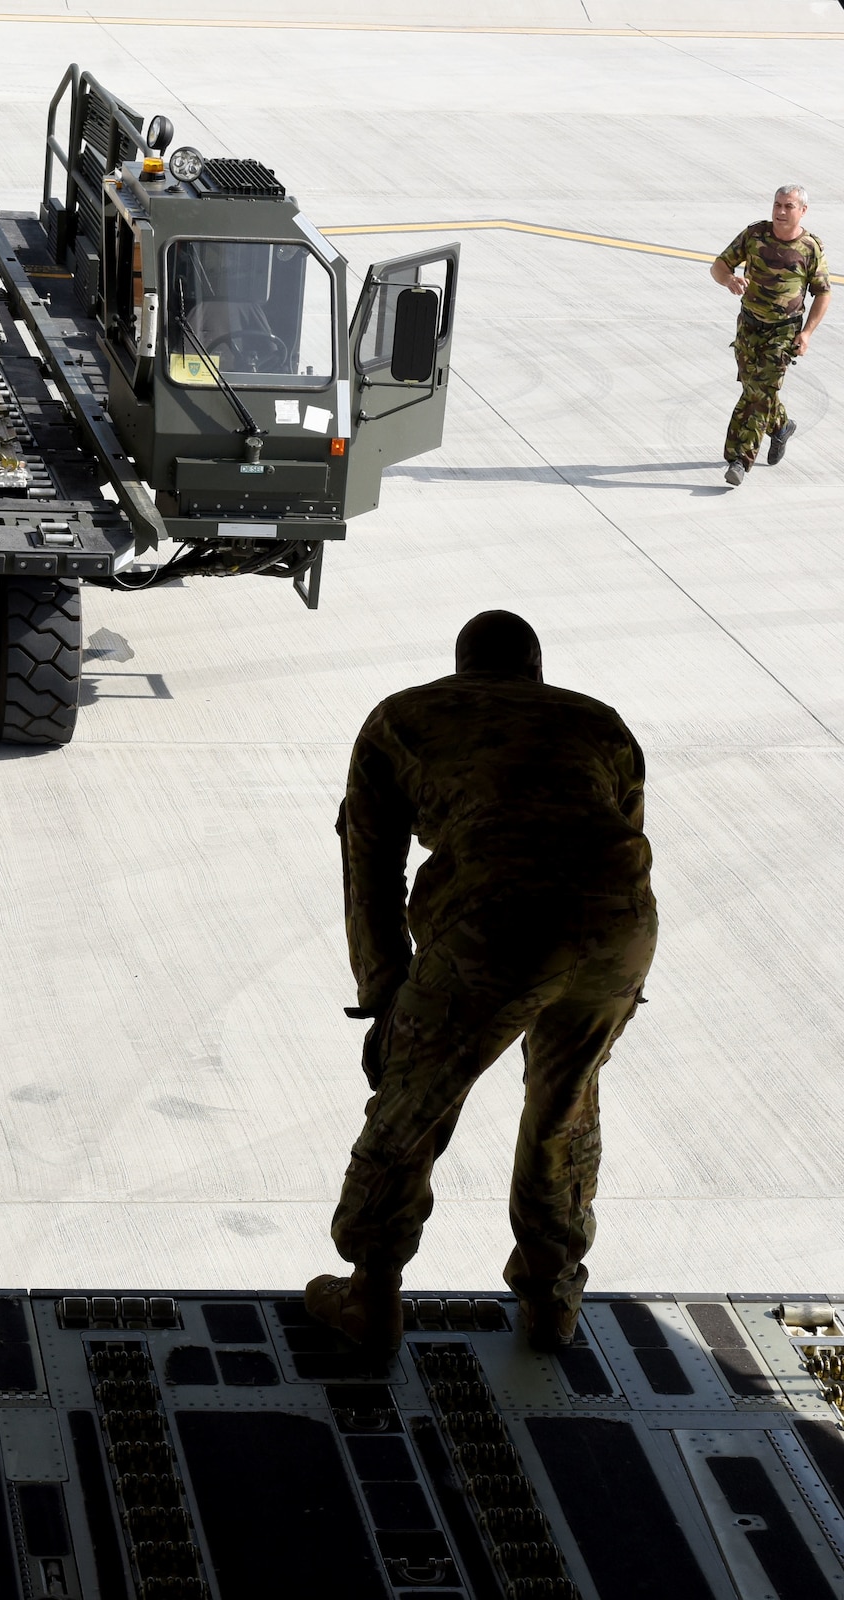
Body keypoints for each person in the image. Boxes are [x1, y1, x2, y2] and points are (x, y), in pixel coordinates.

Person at [305, 612, 656, 1355]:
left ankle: (370, 1297)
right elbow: (622, 835)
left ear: (462, 667)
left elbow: (369, 865)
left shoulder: (403, 716)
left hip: (496, 923)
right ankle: (552, 1302)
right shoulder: (600, 722)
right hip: (620, 926)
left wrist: (385, 992)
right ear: (535, 670)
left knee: (416, 1104)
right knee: (567, 1107)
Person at [713, 185, 828, 487]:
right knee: (756, 388)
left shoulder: (810, 247)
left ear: (802, 211)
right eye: (777, 204)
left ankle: (739, 459)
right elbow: (718, 266)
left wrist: (807, 334)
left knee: (758, 393)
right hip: (749, 325)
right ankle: (781, 426)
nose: (780, 211)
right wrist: (728, 280)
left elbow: (823, 293)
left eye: (788, 206)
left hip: (784, 331)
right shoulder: (754, 235)